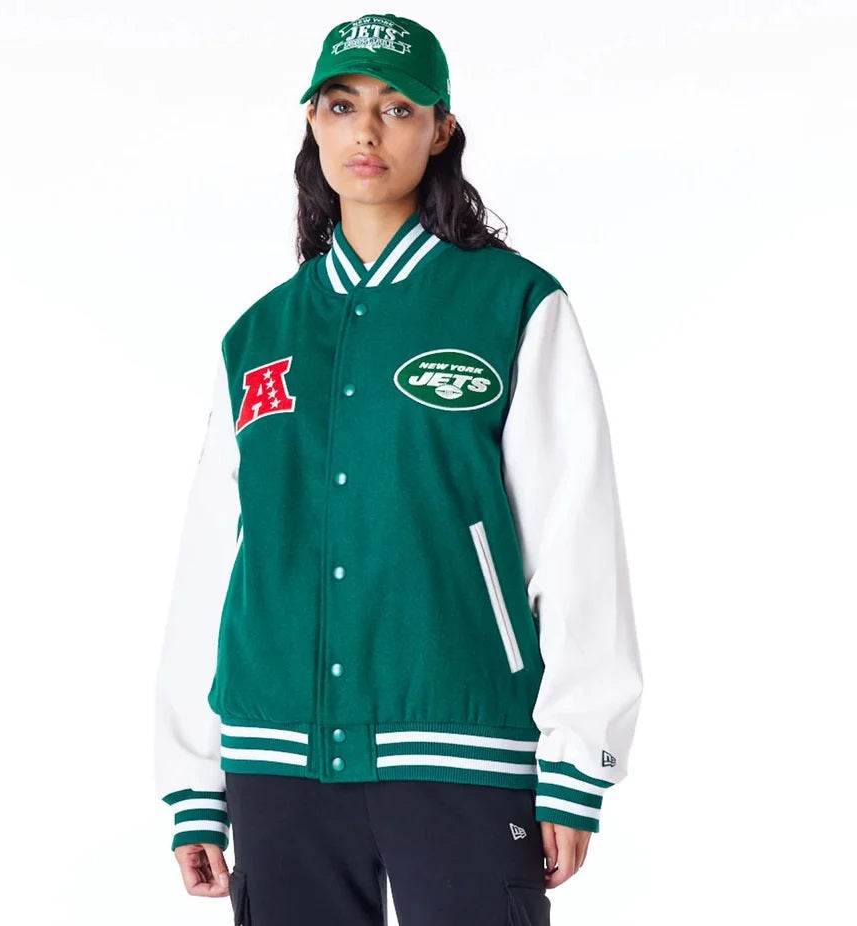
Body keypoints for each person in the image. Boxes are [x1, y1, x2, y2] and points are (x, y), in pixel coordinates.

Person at [153, 12, 643, 925]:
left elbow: (576, 536)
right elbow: (213, 564)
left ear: (441, 128)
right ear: (313, 121)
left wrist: (579, 757)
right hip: (276, 757)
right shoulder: (257, 337)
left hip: (462, 743)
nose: (367, 133)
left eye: (398, 107)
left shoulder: (513, 306)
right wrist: (193, 777)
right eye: (342, 106)